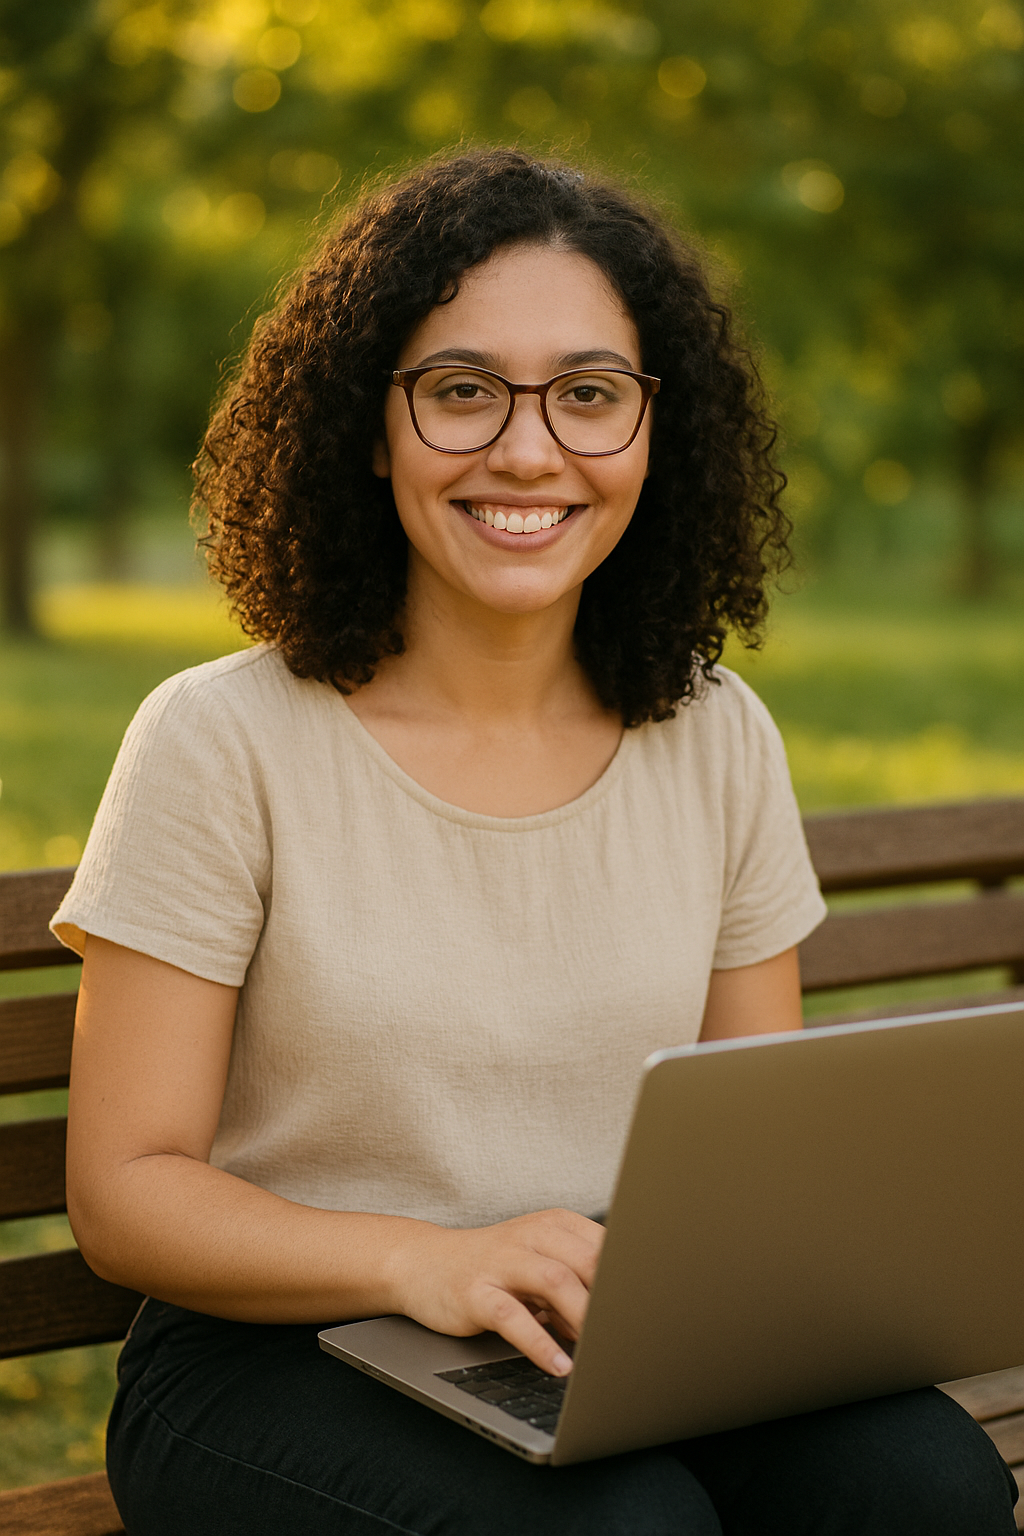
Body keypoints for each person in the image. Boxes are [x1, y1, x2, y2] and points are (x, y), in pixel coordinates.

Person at [53, 150, 1017, 1535]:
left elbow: (758, 1150)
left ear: (651, 431)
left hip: (612, 1328)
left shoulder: (716, 730)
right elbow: (127, 1198)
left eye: (587, 395)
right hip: (274, 1352)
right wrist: (427, 1262)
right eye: (461, 391)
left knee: (922, 1487)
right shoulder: (221, 740)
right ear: (369, 426)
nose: (527, 449)